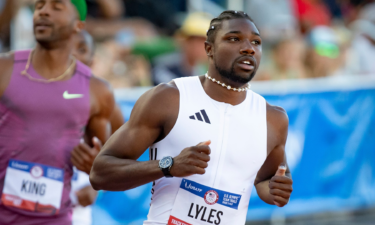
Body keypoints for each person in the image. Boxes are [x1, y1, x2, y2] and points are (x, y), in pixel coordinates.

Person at [90, 10, 293, 225]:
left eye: (256, 42)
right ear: (209, 49)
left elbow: (266, 180)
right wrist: (168, 166)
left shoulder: (273, 119)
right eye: (234, 39)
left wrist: (274, 190)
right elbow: (100, 173)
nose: (248, 48)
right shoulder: (169, 98)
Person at [0, 0, 116, 224]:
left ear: (78, 25)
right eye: (40, 5)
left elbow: (110, 162)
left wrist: (95, 173)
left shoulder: (97, 91)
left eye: (56, 7)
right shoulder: (4, 69)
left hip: (56, 218)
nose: (43, 11)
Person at [70, 29, 125, 225]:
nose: (73, 54)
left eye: (81, 49)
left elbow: (122, 153)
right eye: (67, 47)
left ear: (92, 62)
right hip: (23, 204)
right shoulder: (30, 93)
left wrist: (97, 186)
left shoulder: (102, 100)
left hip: (73, 209)